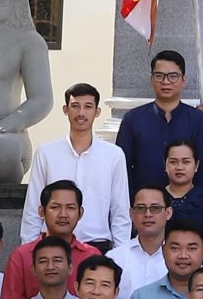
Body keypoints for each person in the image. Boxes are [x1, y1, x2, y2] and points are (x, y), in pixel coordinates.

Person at [22, 82, 133, 248]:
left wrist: (120, 254)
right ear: (65, 109)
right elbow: (33, 207)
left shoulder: (114, 155)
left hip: (97, 245)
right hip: (53, 245)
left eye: (88, 106)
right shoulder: (46, 153)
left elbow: (120, 210)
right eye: (75, 106)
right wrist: (29, 250)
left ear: (97, 112)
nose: (81, 113)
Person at [0, 183, 101, 299]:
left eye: (70, 208)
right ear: (42, 211)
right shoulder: (22, 256)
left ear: (80, 213)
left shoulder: (91, 256)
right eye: (55, 207)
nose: (63, 214)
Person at [115, 186, 173, 299]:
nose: (148, 214)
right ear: (131, 213)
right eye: (141, 208)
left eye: (155, 208)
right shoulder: (116, 257)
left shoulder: (181, 260)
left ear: (168, 213)